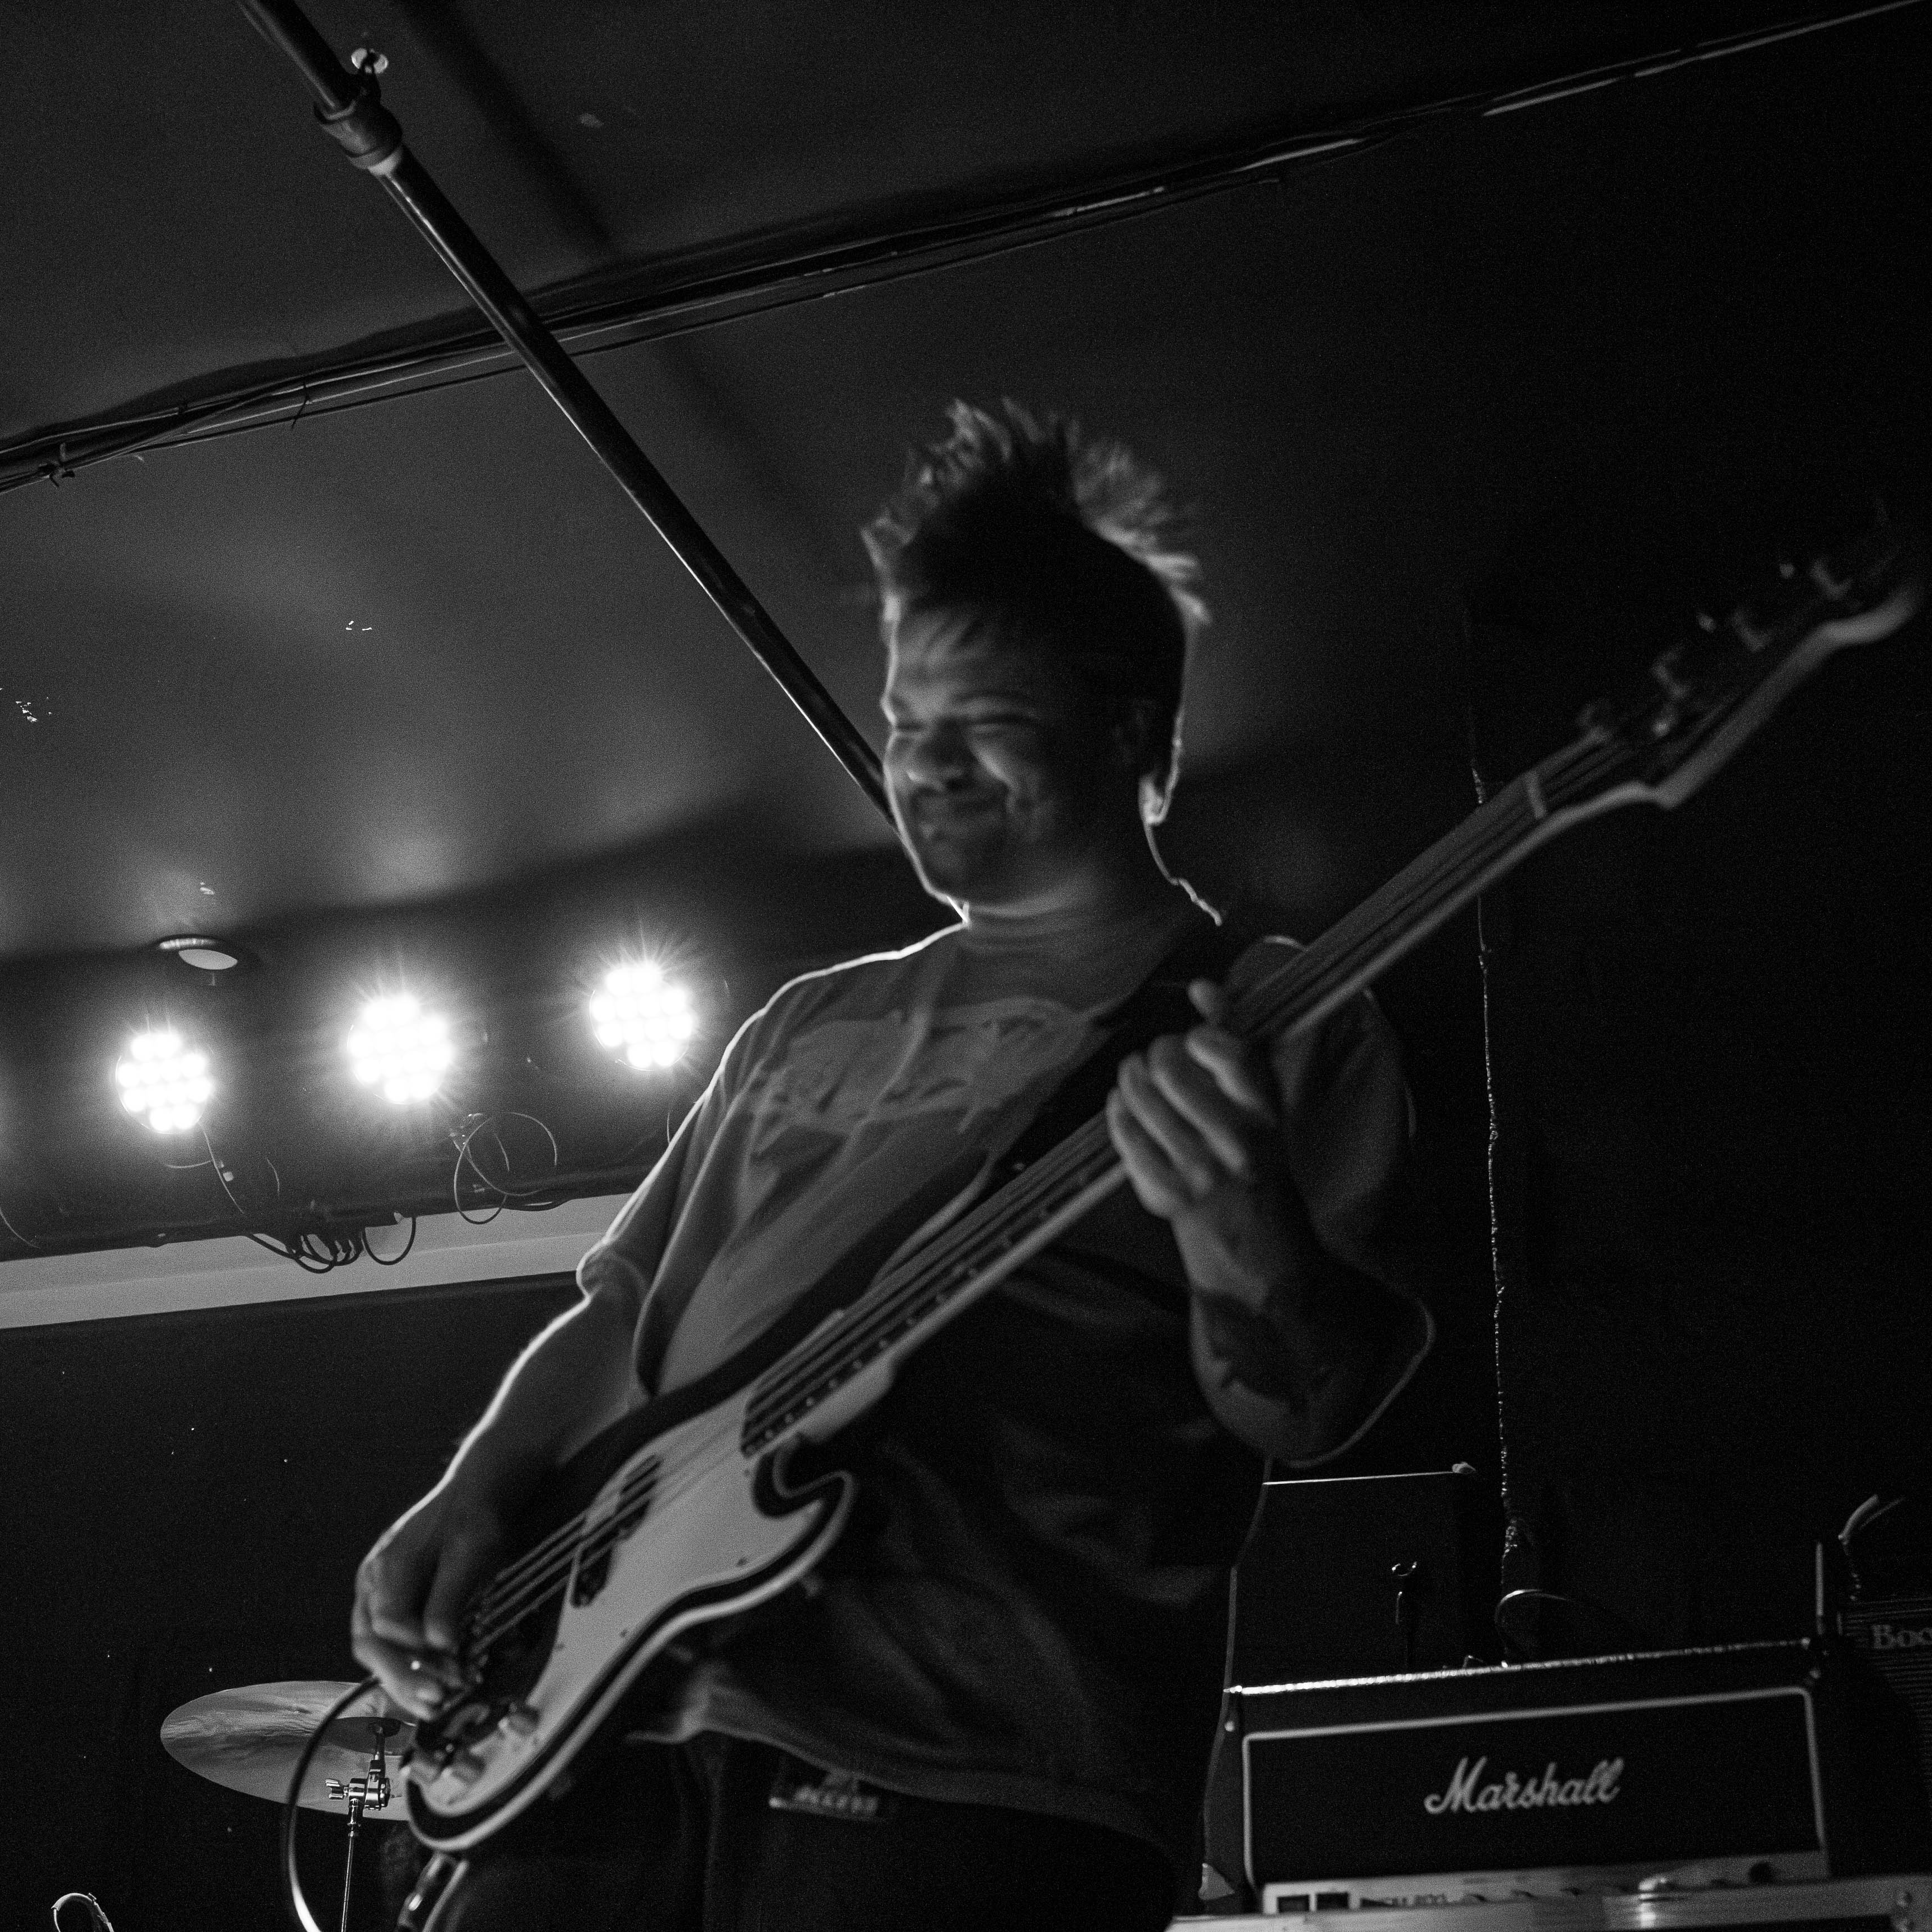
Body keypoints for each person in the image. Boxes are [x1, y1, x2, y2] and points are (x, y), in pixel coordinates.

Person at [352, 401, 1431, 1930]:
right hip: (605, 1730)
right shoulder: (806, 1019)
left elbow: (1311, 1408)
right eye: (906, 723)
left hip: (971, 1768)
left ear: (1134, 732)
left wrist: (1240, 1228)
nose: (922, 766)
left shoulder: (1274, 1020)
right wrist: (471, 1493)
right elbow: (625, 1316)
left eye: (982, 722)